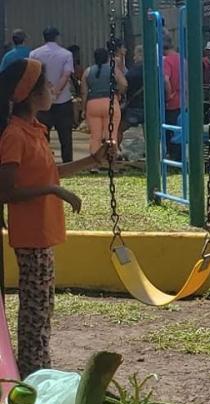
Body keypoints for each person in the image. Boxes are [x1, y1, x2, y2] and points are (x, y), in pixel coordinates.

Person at [0, 59, 111, 377]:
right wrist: (53, 191)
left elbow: (49, 172)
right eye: (46, 85)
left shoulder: (35, 130)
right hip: (30, 235)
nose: (52, 89)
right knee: (35, 310)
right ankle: (33, 373)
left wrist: (92, 160)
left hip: (43, 233)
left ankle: (37, 367)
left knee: (42, 306)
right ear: (31, 95)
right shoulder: (14, 136)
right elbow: (5, 190)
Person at [30, 27, 74, 162]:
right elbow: (66, 74)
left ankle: (44, 161)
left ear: (44, 38)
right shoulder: (66, 54)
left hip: (42, 101)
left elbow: (36, 75)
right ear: (57, 37)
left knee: (42, 135)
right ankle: (67, 162)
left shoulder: (34, 54)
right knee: (65, 135)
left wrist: (48, 89)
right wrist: (56, 90)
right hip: (63, 100)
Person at [81, 48, 126, 156]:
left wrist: (83, 109)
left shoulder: (87, 71)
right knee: (111, 135)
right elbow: (124, 84)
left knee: (95, 136)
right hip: (110, 102)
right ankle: (111, 161)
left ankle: (94, 163)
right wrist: (119, 92)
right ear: (107, 58)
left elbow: (84, 93)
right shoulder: (113, 69)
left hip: (92, 104)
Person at [162, 32, 182, 161]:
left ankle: (173, 157)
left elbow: (165, 80)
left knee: (169, 131)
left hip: (172, 102)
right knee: (180, 131)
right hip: (183, 101)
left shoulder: (167, 61)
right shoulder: (182, 59)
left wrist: (168, 96)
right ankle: (179, 156)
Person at [121, 45, 144, 137]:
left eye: (135, 55)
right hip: (151, 108)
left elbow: (124, 88)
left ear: (140, 55)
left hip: (133, 107)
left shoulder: (130, 73)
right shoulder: (155, 71)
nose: (134, 58)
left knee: (132, 134)